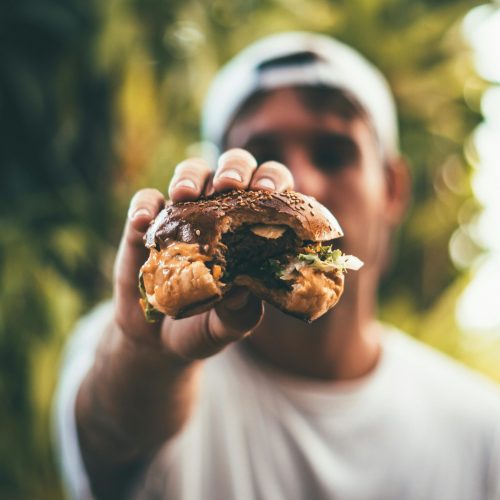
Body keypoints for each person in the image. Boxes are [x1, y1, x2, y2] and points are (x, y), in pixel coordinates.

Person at [53, 32, 500, 500]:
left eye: (332, 153)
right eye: (266, 153)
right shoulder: (138, 356)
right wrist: (146, 360)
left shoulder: (481, 433)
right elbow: (109, 440)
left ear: (391, 189)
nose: (301, 183)